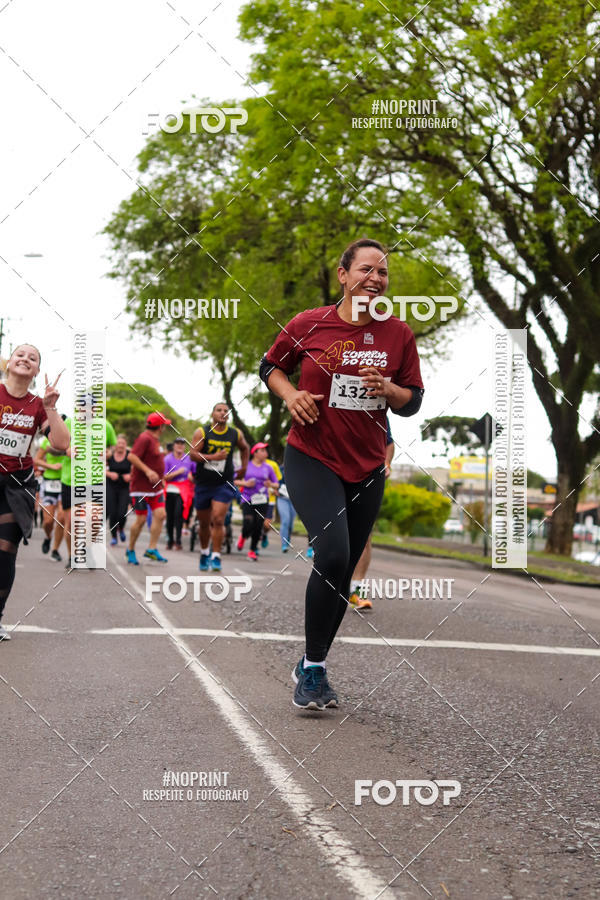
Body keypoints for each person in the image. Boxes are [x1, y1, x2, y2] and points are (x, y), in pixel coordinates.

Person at [260, 238, 424, 709]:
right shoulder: (309, 323)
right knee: (332, 553)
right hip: (311, 456)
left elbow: (412, 401)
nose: (375, 278)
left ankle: (312, 663)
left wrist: (389, 389)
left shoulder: (398, 334)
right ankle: (314, 671)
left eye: (383, 272)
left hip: (367, 465)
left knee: (344, 569)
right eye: (367, 269)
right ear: (344, 275)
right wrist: (291, 395)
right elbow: (270, 366)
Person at [0, 344, 69, 640]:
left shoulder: (38, 404)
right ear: (9, 362)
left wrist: (51, 408)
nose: (25, 359)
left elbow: (61, 443)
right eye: (20, 355)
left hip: (16, 485)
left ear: (37, 371)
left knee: (5, 549)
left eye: (33, 358)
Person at [190, 403, 249, 572]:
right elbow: (193, 454)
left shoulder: (235, 433)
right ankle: (204, 552)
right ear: (212, 414)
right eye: (219, 410)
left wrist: (244, 468)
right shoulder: (202, 432)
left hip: (224, 483)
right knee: (204, 523)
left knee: (218, 519)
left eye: (225, 411)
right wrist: (213, 457)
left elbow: (245, 448)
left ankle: (216, 556)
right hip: (203, 483)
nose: (223, 413)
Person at [59, 401, 117, 569]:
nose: (86, 410)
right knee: (72, 522)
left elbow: (112, 447)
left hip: (95, 479)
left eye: (91, 407)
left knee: (95, 519)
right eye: (83, 406)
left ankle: (88, 549)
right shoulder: (68, 423)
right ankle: (72, 556)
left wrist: (108, 453)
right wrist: (66, 451)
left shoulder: (105, 425)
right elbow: (54, 446)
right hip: (71, 480)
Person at [348, 416, 395, 610]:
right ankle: (328, 584)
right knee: (332, 538)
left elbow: (389, 443)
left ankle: (356, 591)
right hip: (332, 475)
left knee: (364, 537)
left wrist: (387, 463)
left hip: (365, 478)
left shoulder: (377, 411)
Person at [126, 412, 170, 565]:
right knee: (141, 520)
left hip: (155, 488)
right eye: (164, 425)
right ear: (160, 427)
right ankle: (130, 549)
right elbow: (131, 456)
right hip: (141, 488)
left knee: (161, 515)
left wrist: (161, 477)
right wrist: (148, 471)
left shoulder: (155, 440)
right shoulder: (144, 438)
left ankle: (151, 549)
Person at [234, 443, 280, 561]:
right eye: (262, 450)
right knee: (248, 523)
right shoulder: (246, 466)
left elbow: (276, 484)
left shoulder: (268, 468)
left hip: (263, 500)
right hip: (247, 499)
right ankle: (243, 536)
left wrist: (270, 484)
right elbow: (234, 480)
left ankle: (252, 550)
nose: (266, 453)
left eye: (266, 451)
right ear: (255, 453)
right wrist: (245, 483)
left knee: (258, 525)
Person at [34, 426, 66, 561]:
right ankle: (48, 537)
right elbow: (37, 460)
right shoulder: (47, 441)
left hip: (65, 482)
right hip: (49, 483)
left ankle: (55, 549)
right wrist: (52, 466)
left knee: (62, 518)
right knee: (48, 521)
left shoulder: (71, 441)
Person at [164, 437, 195, 550]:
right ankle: (170, 541)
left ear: (184, 446)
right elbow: (164, 477)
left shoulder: (188, 459)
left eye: (182, 444)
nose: (180, 446)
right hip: (170, 489)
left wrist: (192, 477)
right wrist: (178, 472)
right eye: (177, 443)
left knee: (178, 515)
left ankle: (178, 541)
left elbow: (195, 474)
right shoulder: (167, 459)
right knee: (170, 516)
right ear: (174, 446)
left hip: (183, 490)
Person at [106, 434, 131, 546]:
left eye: (123, 443)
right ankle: (114, 537)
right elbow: (99, 468)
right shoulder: (109, 456)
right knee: (113, 513)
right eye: (119, 443)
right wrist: (109, 474)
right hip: (111, 487)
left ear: (126, 445)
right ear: (115, 444)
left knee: (122, 513)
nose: (120, 445)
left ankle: (121, 528)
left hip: (124, 488)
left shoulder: (130, 456)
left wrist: (130, 476)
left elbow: (136, 470)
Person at [260, 454, 282, 548]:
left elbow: (278, 480)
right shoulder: (252, 465)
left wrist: (275, 489)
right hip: (256, 498)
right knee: (255, 522)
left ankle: (264, 534)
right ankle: (254, 547)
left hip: (270, 499)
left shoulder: (273, 465)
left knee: (267, 524)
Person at [277, 467, 296, 553]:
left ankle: (287, 540)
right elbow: (274, 481)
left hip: (294, 500)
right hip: (282, 499)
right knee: (285, 520)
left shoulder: (298, 469)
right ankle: (284, 544)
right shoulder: (280, 469)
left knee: (290, 524)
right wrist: (274, 490)